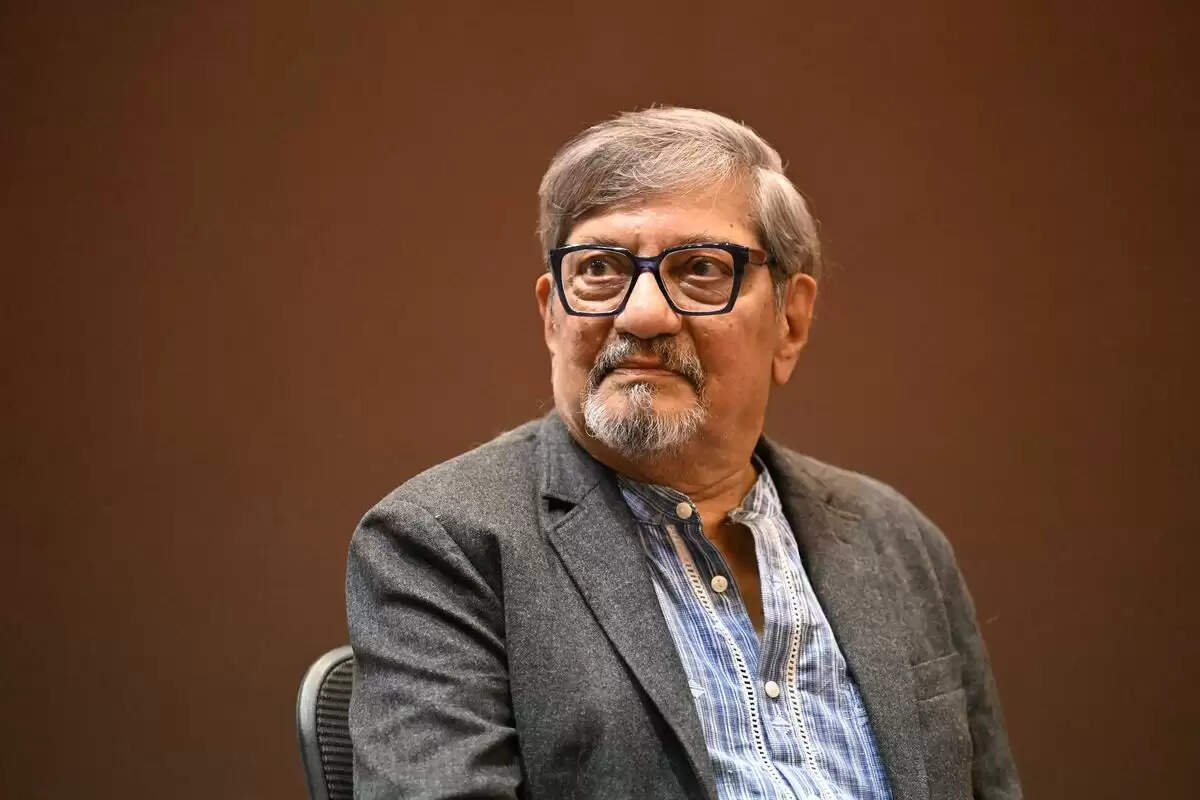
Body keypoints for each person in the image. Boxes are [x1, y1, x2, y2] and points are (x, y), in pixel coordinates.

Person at [346, 107, 1021, 800]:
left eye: (700, 268)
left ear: (790, 321)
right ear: (551, 315)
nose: (642, 314)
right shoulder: (443, 542)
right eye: (599, 269)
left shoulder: (896, 540)